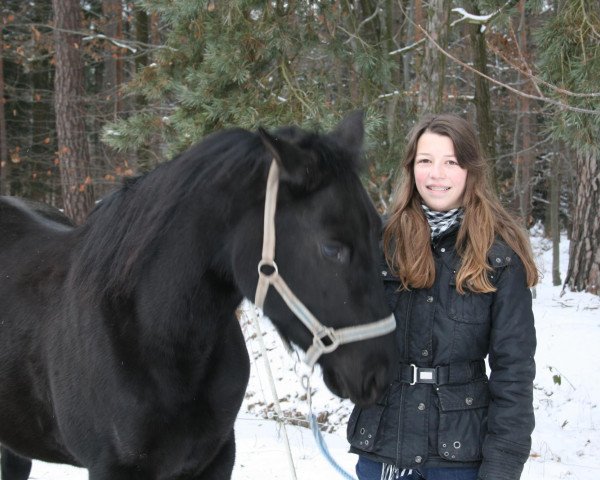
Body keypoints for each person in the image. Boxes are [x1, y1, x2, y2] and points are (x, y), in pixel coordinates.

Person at [347, 113, 538, 480]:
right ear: (411, 168)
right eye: (426, 161)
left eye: (451, 162)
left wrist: (503, 465)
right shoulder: (378, 243)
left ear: (470, 170)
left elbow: (514, 371)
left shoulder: (499, 255)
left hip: (460, 456)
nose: (437, 175)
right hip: (383, 448)